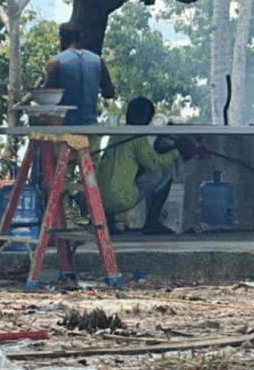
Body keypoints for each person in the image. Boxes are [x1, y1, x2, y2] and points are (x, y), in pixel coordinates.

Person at [95, 96, 197, 234]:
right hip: (120, 200)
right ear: (148, 119)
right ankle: (152, 222)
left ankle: (108, 220)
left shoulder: (116, 134)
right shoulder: (138, 137)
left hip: (97, 199)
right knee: (165, 171)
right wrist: (176, 151)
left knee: (123, 174)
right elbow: (153, 165)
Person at [40, 22, 115, 126]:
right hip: (91, 129)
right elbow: (109, 93)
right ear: (81, 38)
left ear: (61, 39)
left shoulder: (55, 63)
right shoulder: (98, 61)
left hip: (64, 129)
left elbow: (46, 99)